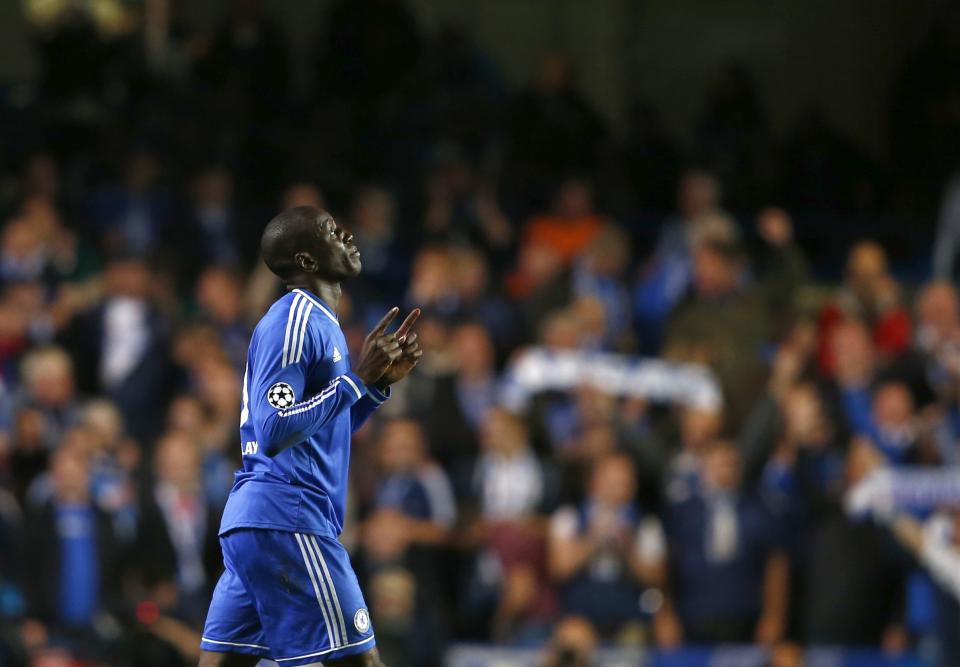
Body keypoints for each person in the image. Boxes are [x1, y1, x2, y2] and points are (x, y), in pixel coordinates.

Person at [199, 206, 423, 667]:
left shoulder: (320, 322)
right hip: (291, 516)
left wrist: (374, 385)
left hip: (260, 520)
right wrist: (356, 378)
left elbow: (313, 432)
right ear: (305, 261)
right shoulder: (296, 319)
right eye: (328, 230)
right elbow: (275, 428)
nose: (344, 232)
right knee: (361, 660)